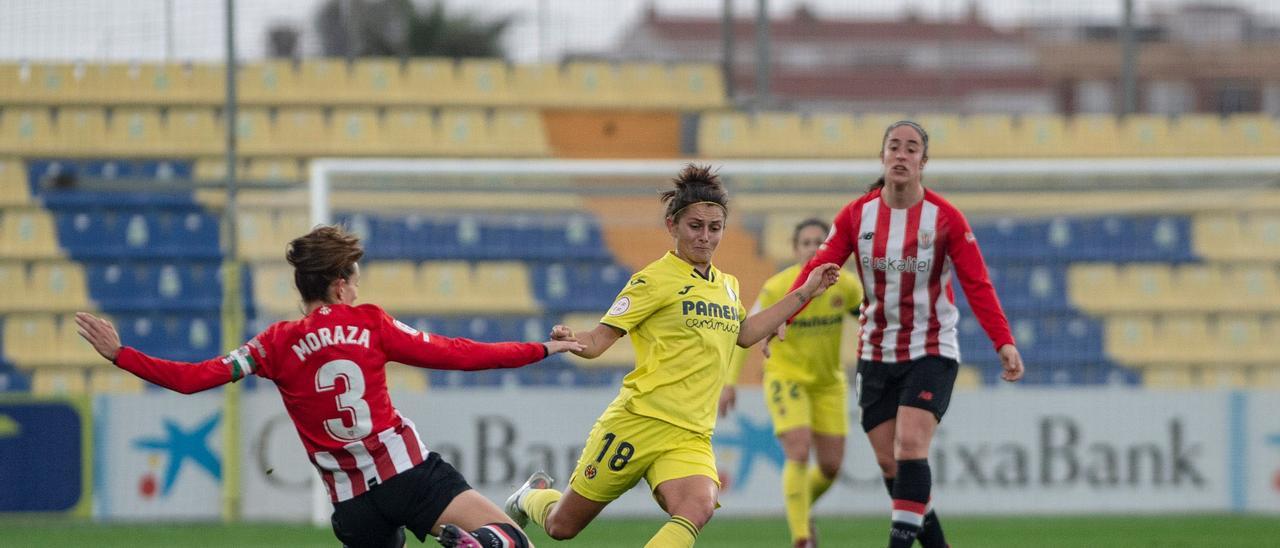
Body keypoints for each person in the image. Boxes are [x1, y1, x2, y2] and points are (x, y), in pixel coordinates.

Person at [75, 225, 585, 548]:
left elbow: (192, 379)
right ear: (340, 285)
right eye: (355, 281)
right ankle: (480, 544)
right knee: (513, 542)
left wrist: (122, 355)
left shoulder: (272, 344)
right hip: (407, 475)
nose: (358, 290)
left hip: (352, 505)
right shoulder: (370, 323)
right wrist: (541, 348)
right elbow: (458, 354)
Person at [502, 164, 841, 548]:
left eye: (715, 228)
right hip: (638, 422)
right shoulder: (652, 280)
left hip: (691, 433)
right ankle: (528, 497)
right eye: (695, 226)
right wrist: (570, 339)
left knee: (699, 506)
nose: (705, 236)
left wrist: (805, 293)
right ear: (672, 225)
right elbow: (598, 341)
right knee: (562, 527)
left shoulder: (727, 285)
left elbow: (745, 334)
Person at [788, 120, 1025, 548]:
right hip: (876, 351)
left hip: (931, 347)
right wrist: (784, 316)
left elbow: (977, 283)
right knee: (891, 465)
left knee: (911, 445)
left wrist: (1003, 341)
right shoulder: (856, 215)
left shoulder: (946, 218)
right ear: (882, 156)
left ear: (923, 161)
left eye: (911, 148)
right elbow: (816, 270)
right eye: (894, 146)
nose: (901, 154)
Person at [718, 218, 863, 548]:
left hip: (828, 383)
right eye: (806, 243)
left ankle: (799, 506)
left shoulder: (846, 286)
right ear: (795, 250)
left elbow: (871, 321)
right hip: (786, 377)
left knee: (831, 466)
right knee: (798, 449)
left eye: (819, 242)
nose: (813, 248)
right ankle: (802, 538)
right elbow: (745, 332)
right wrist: (730, 383)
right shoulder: (778, 287)